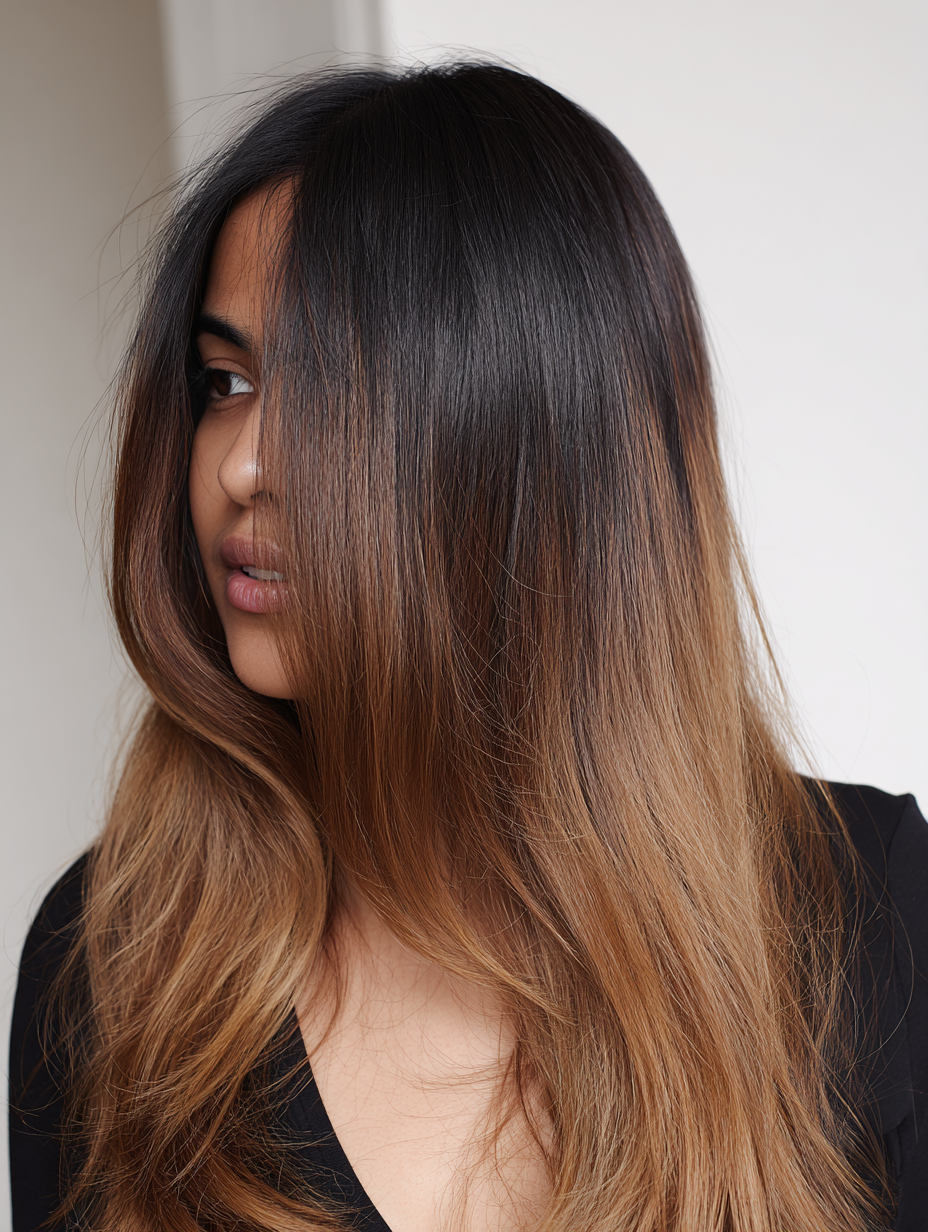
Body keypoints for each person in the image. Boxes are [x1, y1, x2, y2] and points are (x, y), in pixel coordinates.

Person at [8, 61, 927, 1232]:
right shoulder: (115, 962)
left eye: (335, 394)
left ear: (533, 449)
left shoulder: (867, 913)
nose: (239, 464)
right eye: (225, 380)